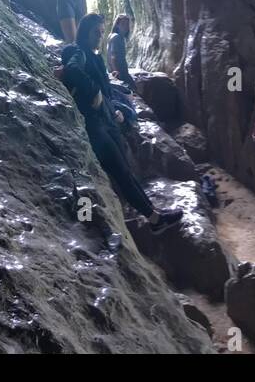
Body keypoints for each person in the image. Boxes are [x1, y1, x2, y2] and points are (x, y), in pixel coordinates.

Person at [62, 13, 178, 229]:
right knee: (121, 169)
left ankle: (149, 213)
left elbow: (106, 91)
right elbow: (71, 70)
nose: (99, 36)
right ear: (85, 32)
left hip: (106, 120)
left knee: (124, 167)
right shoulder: (77, 51)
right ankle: (153, 219)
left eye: (100, 32)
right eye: (95, 32)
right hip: (93, 124)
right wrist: (94, 92)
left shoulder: (94, 57)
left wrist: (115, 110)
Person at [107, 14, 134, 87]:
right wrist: (117, 74)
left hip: (115, 72)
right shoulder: (117, 37)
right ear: (117, 25)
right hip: (120, 73)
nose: (125, 26)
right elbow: (113, 57)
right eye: (123, 24)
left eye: (127, 24)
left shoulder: (112, 35)